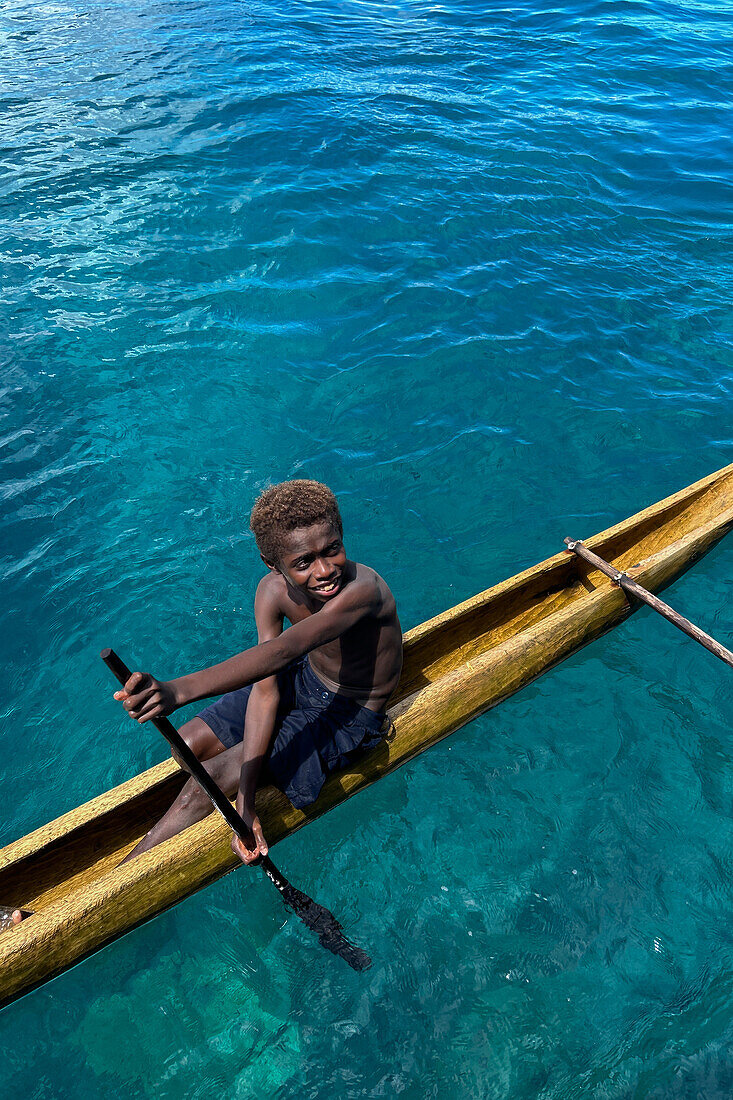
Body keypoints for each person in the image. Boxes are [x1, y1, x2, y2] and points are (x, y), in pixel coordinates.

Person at [114, 480, 403, 865]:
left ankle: (123, 872)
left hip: (349, 710)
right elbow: (266, 691)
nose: (324, 570)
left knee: (204, 785)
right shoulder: (271, 592)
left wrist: (177, 691)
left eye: (332, 549)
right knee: (185, 746)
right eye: (303, 562)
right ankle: (222, 789)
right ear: (273, 564)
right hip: (302, 679)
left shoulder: (363, 590)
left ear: (341, 536)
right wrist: (246, 802)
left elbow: (285, 650)